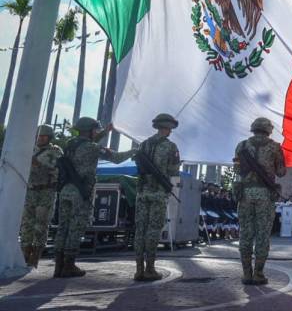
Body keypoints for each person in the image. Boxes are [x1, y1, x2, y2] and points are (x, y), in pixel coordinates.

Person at [53, 118, 134, 278]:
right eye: (95, 130)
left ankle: (58, 266)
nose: (96, 132)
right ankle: (69, 265)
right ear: (89, 130)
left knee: (63, 227)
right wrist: (135, 151)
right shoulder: (92, 147)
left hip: (65, 190)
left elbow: (85, 142)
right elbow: (117, 158)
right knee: (75, 228)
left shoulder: (71, 144)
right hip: (80, 191)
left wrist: (105, 132)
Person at [233, 117, 286, 285]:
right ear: (269, 130)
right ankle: (258, 274)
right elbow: (281, 172)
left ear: (253, 128)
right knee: (262, 235)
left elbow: (237, 169)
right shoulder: (275, 147)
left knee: (246, 234)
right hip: (264, 194)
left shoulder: (241, 146)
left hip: (246, 193)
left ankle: (246, 274)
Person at [133, 113, 181, 281]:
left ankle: (139, 269)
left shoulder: (143, 145)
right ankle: (150, 269)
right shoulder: (171, 147)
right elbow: (174, 170)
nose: (170, 132)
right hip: (158, 193)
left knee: (140, 230)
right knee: (153, 229)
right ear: (167, 128)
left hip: (142, 192)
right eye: (170, 129)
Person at [20, 125, 62, 268]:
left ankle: (35, 256)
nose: (40, 138)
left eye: (44, 136)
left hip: (46, 191)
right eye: (39, 136)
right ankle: (24, 253)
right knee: (26, 224)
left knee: (41, 225)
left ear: (49, 137)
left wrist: (39, 164)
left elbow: (57, 167)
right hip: (30, 190)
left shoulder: (55, 151)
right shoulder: (30, 149)